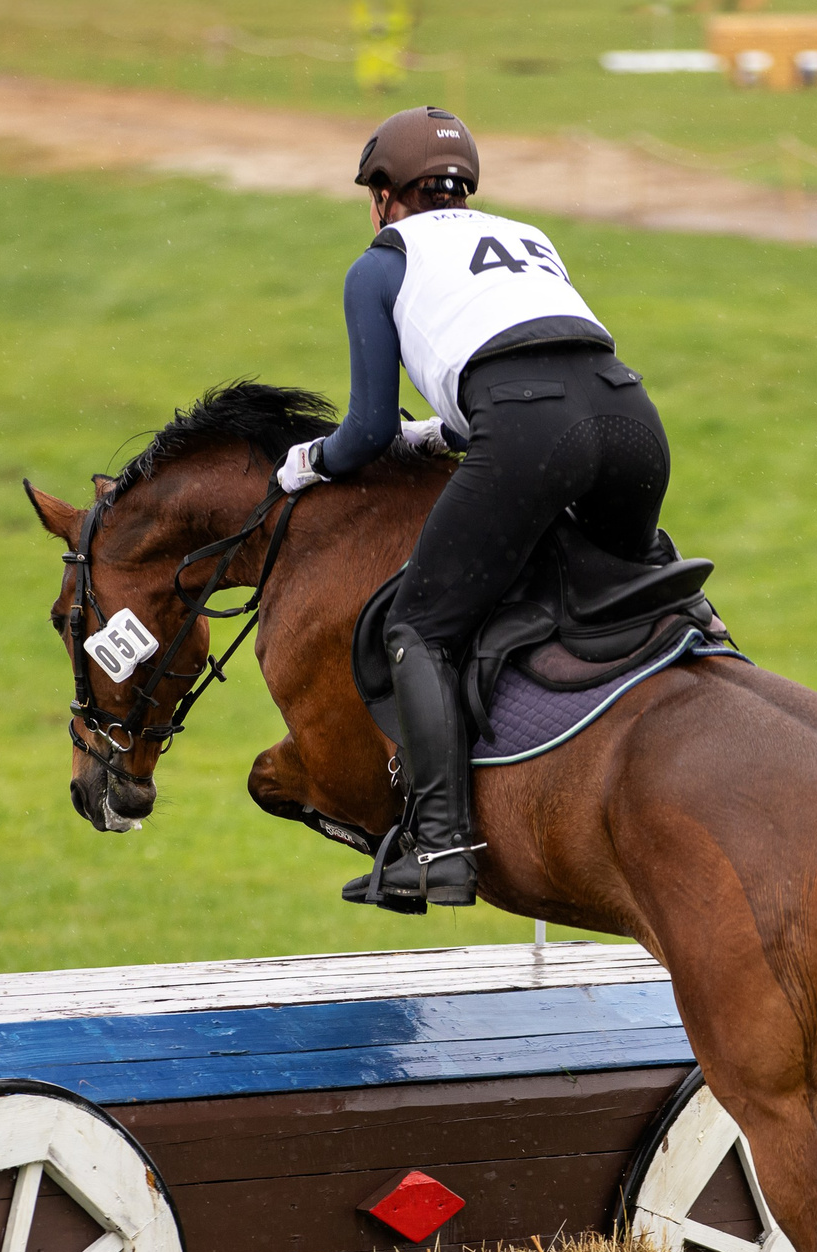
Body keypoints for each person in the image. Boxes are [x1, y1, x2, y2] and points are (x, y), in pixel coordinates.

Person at [277, 106, 673, 912]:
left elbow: (364, 433)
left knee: (418, 627)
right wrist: (441, 433)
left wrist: (306, 462)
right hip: (633, 422)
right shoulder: (529, 236)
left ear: (385, 193)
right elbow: (531, 356)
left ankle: (440, 845)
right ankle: (712, 647)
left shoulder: (379, 264)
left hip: (533, 432)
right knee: (634, 585)